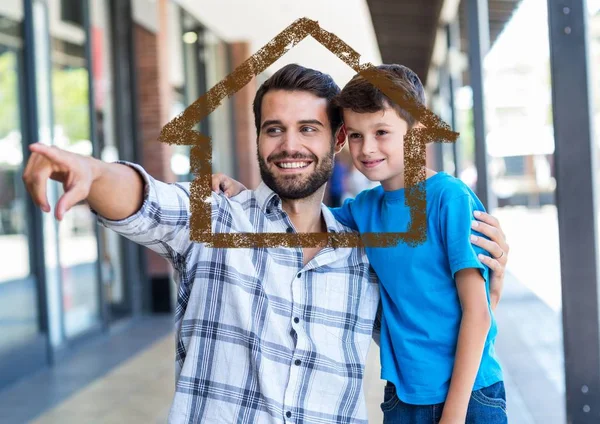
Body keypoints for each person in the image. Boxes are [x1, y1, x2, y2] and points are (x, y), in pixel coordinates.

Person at [23, 64, 509, 424]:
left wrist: (493, 276)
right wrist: (92, 170)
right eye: (274, 129)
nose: (289, 145)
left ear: (334, 141)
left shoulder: (362, 243)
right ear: (257, 139)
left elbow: (432, 313)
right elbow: (149, 201)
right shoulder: (216, 221)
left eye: (308, 129)